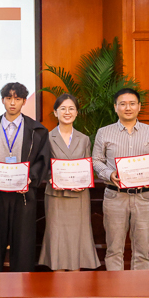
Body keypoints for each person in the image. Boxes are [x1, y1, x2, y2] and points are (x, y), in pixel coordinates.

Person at [0, 82, 50, 272]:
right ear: (2, 100)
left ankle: (22, 286)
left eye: (17, 98)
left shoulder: (37, 130)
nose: (13, 103)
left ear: (24, 101)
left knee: (23, 244)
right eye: (9, 98)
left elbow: (43, 160)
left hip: (23, 195)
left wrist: (31, 177)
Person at [92, 88, 149, 271]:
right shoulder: (104, 132)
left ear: (139, 106)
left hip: (144, 197)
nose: (128, 108)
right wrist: (109, 174)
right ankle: (115, 287)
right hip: (115, 196)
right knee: (114, 250)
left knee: (142, 251)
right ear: (115, 107)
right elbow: (96, 161)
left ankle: (139, 287)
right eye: (123, 104)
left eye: (132, 103)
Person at [39, 94, 100, 272]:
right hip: (56, 196)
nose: (67, 112)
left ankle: (76, 282)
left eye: (71, 108)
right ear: (55, 112)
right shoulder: (46, 137)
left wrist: (84, 180)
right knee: (57, 239)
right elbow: (42, 165)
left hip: (79, 196)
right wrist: (51, 177)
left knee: (77, 240)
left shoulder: (84, 139)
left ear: (77, 112)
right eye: (63, 109)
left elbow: (87, 166)